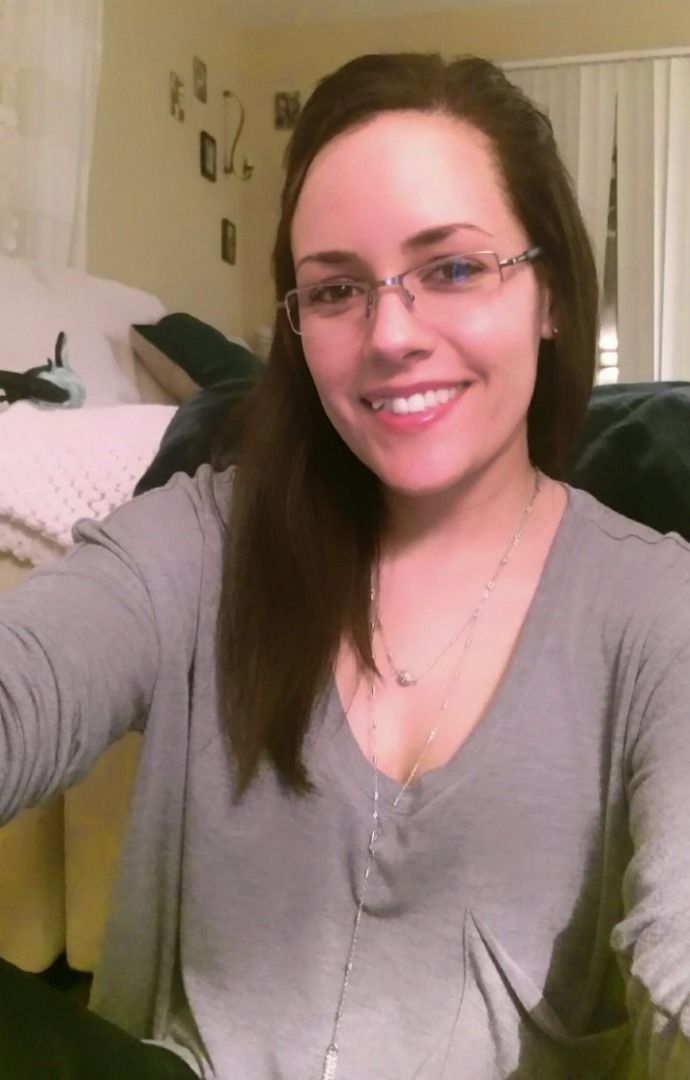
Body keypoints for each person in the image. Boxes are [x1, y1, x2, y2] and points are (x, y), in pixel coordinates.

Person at [1, 51, 690, 1080]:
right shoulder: (202, 541)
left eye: (452, 269)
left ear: (549, 293)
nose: (390, 336)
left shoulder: (658, 607)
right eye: (335, 289)